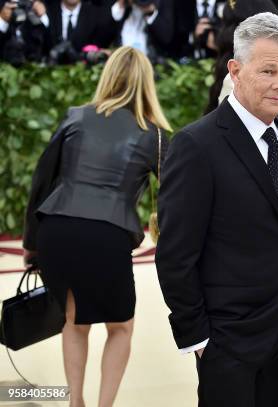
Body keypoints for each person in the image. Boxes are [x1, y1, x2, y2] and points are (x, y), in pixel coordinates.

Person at [155, 12, 278, 407]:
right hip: (226, 341)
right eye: (268, 71)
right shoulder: (196, 145)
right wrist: (200, 338)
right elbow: (175, 254)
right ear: (236, 70)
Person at [22, 46, 171, 407]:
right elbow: (176, 193)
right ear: (146, 84)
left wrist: (31, 243)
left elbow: (42, 181)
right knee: (120, 328)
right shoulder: (155, 136)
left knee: (74, 320)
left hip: (56, 230)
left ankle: (76, 402)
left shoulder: (75, 117)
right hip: (107, 234)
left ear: (107, 76)